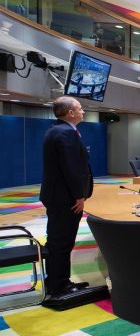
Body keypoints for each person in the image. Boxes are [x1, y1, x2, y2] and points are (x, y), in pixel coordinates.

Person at [40, 96, 94, 297]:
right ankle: (60, 286)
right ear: (70, 113)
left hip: (57, 196)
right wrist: (79, 196)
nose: (83, 111)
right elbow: (71, 168)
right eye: (80, 108)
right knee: (62, 242)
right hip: (65, 198)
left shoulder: (56, 130)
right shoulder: (66, 133)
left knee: (57, 240)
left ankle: (56, 280)